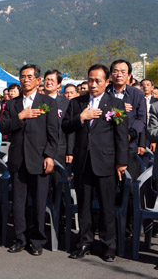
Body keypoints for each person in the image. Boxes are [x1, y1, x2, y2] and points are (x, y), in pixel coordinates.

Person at [63, 64, 128, 262]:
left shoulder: (115, 104)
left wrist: (121, 162)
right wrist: (80, 118)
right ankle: (84, 242)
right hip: (83, 162)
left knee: (107, 206)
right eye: (90, 80)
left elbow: (121, 136)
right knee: (84, 205)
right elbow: (65, 126)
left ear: (106, 82)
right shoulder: (77, 103)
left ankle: (109, 245)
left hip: (106, 162)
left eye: (98, 80)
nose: (93, 84)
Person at [0, 64, 58, 256]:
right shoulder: (12, 104)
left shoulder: (47, 102)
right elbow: (3, 128)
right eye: (22, 76)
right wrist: (21, 116)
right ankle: (20, 238)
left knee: (39, 202)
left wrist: (49, 155)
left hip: (39, 159)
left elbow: (53, 133)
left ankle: (37, 240)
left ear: (38, 80)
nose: (25, 80)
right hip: (18, 159)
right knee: (18, 202)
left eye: (30, 77)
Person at [106, 59, 146, 237]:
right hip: (107, 148)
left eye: (123, 71)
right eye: (115, 71)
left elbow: (141, 119)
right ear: (110, 74)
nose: (119, 74)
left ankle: (128, 226)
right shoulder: (105, 93)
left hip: (128, 148)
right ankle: (109, 226)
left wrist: (129, 134)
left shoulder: (136, 94)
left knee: (128, 189)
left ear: (129, 75)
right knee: (108, 188)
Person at [43, 69, 73, 166]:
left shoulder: (66, 103)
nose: (49, 82)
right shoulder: (37, 102)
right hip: (39, 149)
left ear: (59, 84)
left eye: (52, 80)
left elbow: (70, 129)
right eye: (46, 80)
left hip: (59, 150)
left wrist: (70, 151)